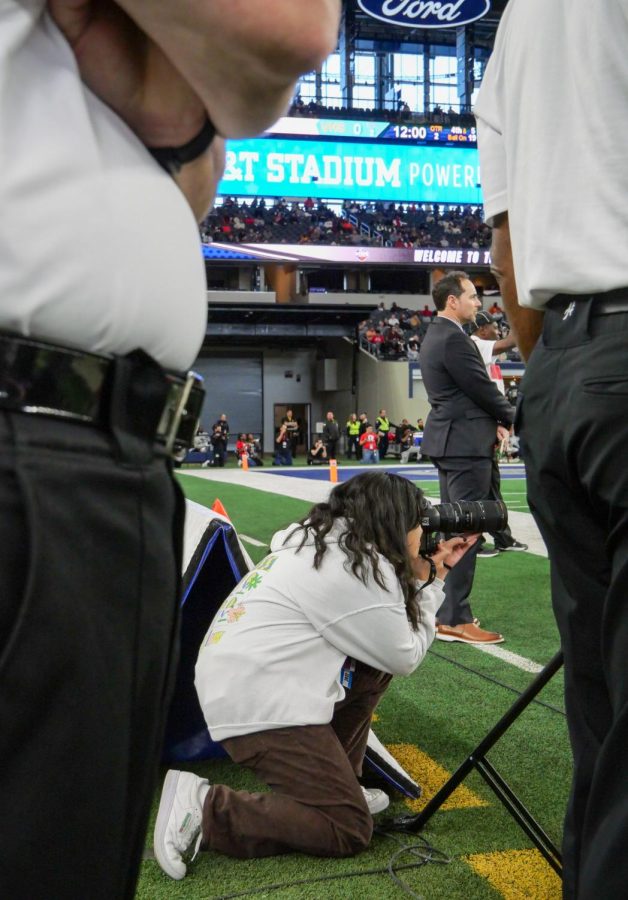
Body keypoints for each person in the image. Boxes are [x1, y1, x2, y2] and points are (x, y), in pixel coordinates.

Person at [0, 2, 341, 897]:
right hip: (41, 433)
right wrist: (184, 105)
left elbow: (194, 180)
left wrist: (173, 117)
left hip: (78, 436)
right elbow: (293, 28)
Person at [475, 2, 628, 894]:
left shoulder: (519, 26)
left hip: (563, 368)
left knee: (602, 735)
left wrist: (570, 374)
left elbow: (507, 251)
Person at [153, 472, 478, 877]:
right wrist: (435, 580)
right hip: (258, 701)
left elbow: (383, 639)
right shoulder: (353, 570)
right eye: (418, 522)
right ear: (393, 522)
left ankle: (343, 781)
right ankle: (205, 807)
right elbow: (405, 654)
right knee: (347, 828)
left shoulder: (326, 545)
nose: (423, 532)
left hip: (248, 681)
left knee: (370, 667)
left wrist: (423, 570)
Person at [419, 271, 514, 645]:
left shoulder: (437, 335)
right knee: (467, 530)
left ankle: (446, 611)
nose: (479, 303)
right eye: (473, 297)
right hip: (464, 444)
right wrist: (515, 417)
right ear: (452, 301)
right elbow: (482, 388)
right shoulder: (455, 340)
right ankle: (455, 617)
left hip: (452, 440)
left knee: (453, 527)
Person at [470, 312, 528, 557]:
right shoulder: (475, 344)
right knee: (480, 487)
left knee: (490, 485)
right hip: (479, 428)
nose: (498, 330)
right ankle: (476, 540)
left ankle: (499, 536)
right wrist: (522, 317)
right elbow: (510, 342)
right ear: (482, 329)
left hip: (489, 426)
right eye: (494, 326)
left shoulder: (487, 356)